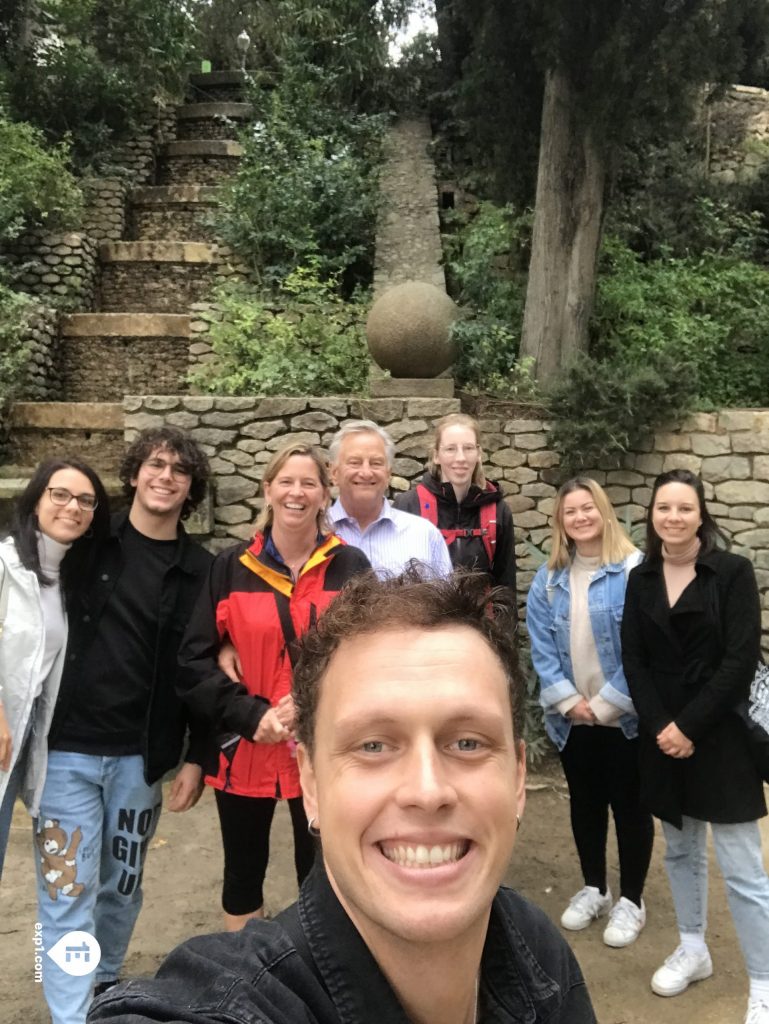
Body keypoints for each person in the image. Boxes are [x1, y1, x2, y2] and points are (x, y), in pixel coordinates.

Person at [90, 570, 596, 1024]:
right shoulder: (238, 1004)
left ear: (517, 778)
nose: (427, 791)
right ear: (310, 783)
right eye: (373, 745)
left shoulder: (533, 947)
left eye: (468, 742)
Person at [37, 426, 213, 1024]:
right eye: (155, 464)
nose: (165, 476)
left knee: (121, 884)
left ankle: (104, 986)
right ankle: (70, 1014)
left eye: (179, 470)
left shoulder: (201, 570)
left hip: (142, 759)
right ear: (134, 474)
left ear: (191, 488)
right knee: (66, 890)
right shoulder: (87, 540)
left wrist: (199, 756)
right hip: (65, 752)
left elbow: (205, 671)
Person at [178, 442, 371, 932]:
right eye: (286, 481)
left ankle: (319, 974)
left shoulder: (351, 567)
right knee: (243, 872)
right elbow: (194, 662)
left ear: (325, 496)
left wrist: (312, 702)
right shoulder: (230, 568)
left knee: (325, 871)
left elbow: (370, 654)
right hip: (245, 749)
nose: (296, 492)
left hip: (325, 746)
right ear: (267, 490)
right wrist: (249, 715)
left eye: (308, 483)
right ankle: (248, 983)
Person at [622, 468, 769, 1023]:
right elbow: (633, 658)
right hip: (663, 737)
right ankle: (693, 948)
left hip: (720, 736)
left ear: (701, 514)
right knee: (680, 852)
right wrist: (663, 726)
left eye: (685, 508)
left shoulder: (731, 573)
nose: (674, 518)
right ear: (652, 514)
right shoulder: (642, 577)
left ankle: (763, 981)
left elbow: (739, 659)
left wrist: (689, 727)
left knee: (742, 869)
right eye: (664, 508)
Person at [526, 477, 652, 948]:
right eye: (569, 511)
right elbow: (542, 647)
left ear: (603, 512)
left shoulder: (635, 571)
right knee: (586, 804)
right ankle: (595, 888)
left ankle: (633, 900)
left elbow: (643, 651)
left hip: (625, 718)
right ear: (560, 520)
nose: (579, 518)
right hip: (573, 718)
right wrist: (570, 703)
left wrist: (603, 705)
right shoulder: (550, 579)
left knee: (631, 807)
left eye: (587, 508)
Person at [0, 458, 110, 879]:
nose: (72, 507)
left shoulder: (62, 579)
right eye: (59, 494)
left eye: (86, 500)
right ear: (35, 502)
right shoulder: (6, 564)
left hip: (21, 743)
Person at [393, 412, 517, 606]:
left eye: (468, 448)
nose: (460, 458)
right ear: (436, 455)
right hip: (425, 626)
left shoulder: (497, 511)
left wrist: (504, 634)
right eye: (450, 449)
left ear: (478, 454)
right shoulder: (408, 506)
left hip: (479, 628)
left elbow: (505, 586)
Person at [328, 419, 453, 578]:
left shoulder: (424, 535)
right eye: (355, 462)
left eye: (376, 463)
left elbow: (445, 601)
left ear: (388, 474)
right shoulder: (313, 534)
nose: (366, 472)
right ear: (334, 473)